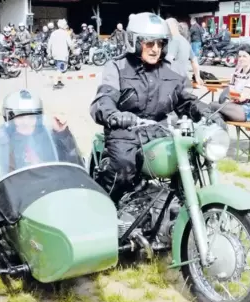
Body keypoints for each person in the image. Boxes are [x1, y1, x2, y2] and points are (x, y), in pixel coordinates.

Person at [89, 12, 225, 204]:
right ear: (134, 42)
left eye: (160, 44)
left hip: (160, 132)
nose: (155, 49)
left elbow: (186, 101)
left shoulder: (172, 70)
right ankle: (104, 208)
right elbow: (104, 98)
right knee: (122, 169)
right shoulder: (117, 67)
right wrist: (113, 115)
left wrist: (207, 112)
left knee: (190, 160)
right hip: (126, 133)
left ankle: (176, 208)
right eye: (149, 43)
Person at [209, 44, 250, 122]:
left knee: (213, 106)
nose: (241, 59)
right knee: (215, 114)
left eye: (244, 56)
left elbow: (242, 97)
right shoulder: (237, 72)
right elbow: (230, 90)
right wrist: (229, 93)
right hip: (235, 105)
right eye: (240, 56)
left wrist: (229, 93)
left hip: (248, 110)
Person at [165, 18, 203, 87]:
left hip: (173, 81)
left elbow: (168, 61)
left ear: (174, 26)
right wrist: (198, 77)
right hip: (183, 81)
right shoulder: (185, 41)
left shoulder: (174, 40)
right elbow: (194, 61)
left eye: (167, 26)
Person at [47, 19, 73, 90]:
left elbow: (49, 44)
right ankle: (55, 83)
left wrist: (49, 53)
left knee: (59, 68)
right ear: (64, 25)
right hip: (62, 54)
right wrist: (73, 49)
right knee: (59, 69)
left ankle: (59, 81)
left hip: (55, 54)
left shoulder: (53, 33)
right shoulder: (65, 33)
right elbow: (70, 44)